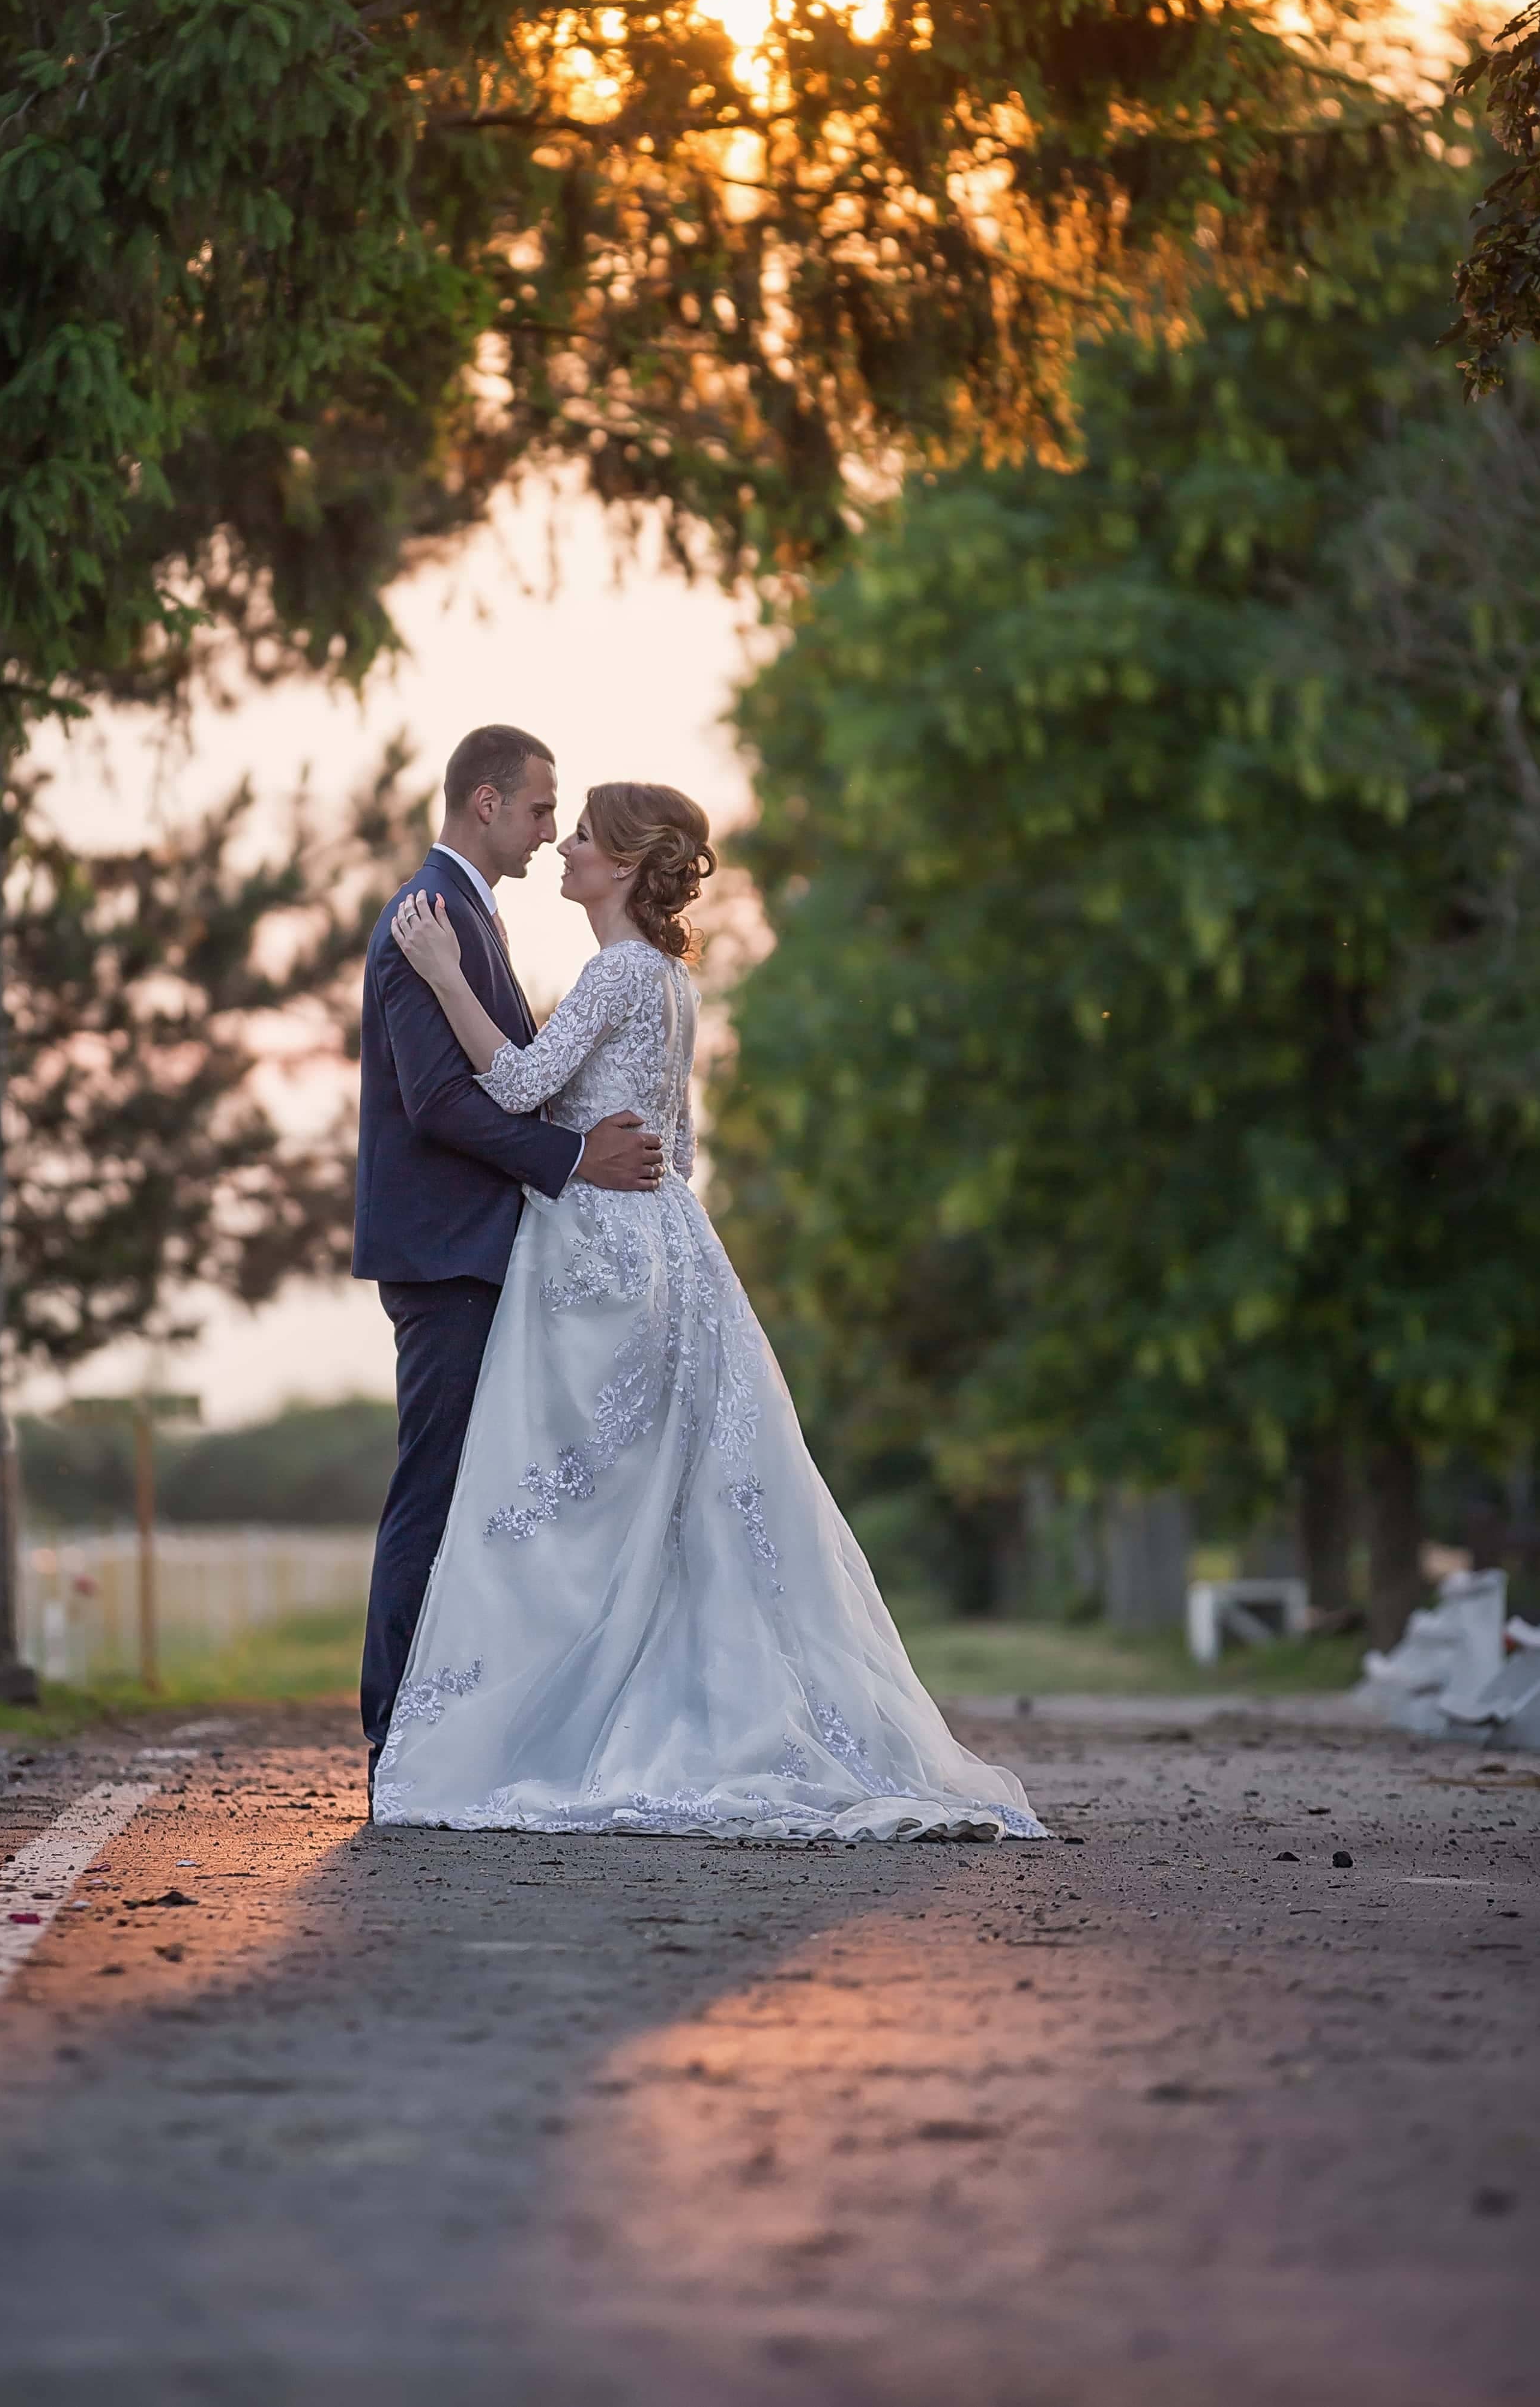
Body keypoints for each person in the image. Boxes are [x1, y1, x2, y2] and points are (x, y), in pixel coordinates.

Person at [372, 775, 1043, 1843]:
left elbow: (511, 1089)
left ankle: (557, 1726)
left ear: (628, 864)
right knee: (663, 1507)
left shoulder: (615, 972)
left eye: (582, 835)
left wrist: (450, 980)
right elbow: (676, 1153)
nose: (566, 847)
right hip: (673, 1246)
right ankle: (632, 1708)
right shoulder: (673, 984)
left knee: (580, 1509)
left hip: (595, 1252)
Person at [354, 725, 666, 1786]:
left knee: (491, 1499)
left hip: (501, 1253)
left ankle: (486, 1733)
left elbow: (511, 1072)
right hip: (448, 1254)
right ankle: (396, 1741)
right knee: (434, 1491)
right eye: (540, 810)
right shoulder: (425, 917)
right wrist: (574, 1160)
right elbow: (440, 1100)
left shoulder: (475, 919)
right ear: (484, 803)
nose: (548, 833)